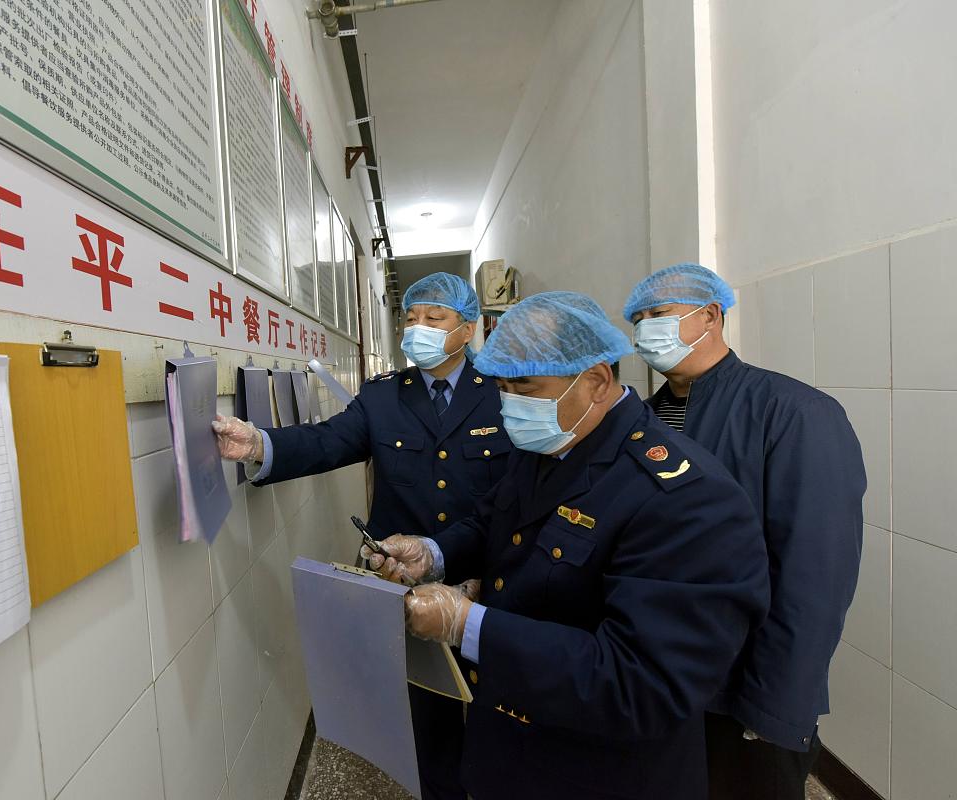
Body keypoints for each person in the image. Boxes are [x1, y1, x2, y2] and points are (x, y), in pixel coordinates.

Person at [365, 291, 770, 800]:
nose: (509, 403)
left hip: (601, 770)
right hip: (511, 743)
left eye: (525, 387)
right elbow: (497, 518)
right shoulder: (553, 440)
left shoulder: (683, 498)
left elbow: (641, 684)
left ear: (597, 381)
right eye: (503, 386)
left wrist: (468, 625)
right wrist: (433, 554)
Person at [213, 272, 507, 800]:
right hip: (409, 590)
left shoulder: (505, 394)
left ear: (468, 329)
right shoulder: (385, 397)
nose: (418, 328)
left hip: (488, 585)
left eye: (434, 319)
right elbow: (326, 442)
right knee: (430, 719)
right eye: (411, 319)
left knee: (500, 723)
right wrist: (258, 443)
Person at [623, 263, 865, 800]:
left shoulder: (794, 414)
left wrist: (774, 705)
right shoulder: (642, 422)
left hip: (743, 693)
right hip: (657, 681)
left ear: (710, 315)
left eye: (657, 315)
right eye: (636, 320)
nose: (644, 331)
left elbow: (815, 580)